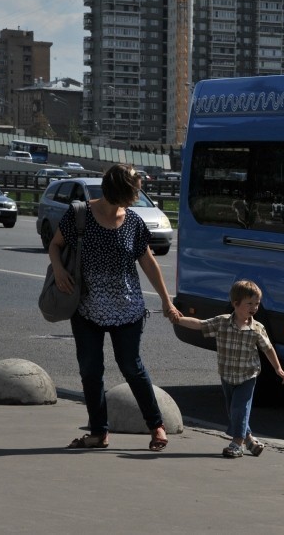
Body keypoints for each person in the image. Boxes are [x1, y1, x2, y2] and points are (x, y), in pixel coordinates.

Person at [48, 163, 181, 451]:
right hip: (86, 307)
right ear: (120, 190)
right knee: (91, 370)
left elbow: (147, 261)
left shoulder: (132, 221)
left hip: (128, 308)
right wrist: (58, 270)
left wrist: (166, 300)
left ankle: (156, 426)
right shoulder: (80, 214)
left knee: (131, 366)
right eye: (134, 189)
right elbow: (55, 245)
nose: (138, 194)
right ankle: (99, 432)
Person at [172, 280, 284, 458]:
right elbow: (200, 324)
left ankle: (237, 444)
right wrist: (178, 319)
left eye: (257, 304)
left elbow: (268, 348)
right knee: (233, 411)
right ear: (235, 303)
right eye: (249, 303)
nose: (254, 308)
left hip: (248, 375)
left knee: (240, 408)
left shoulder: (257, 328)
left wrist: (277, 368)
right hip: (227, 375)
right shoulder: (222, 322)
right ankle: (249, 440)